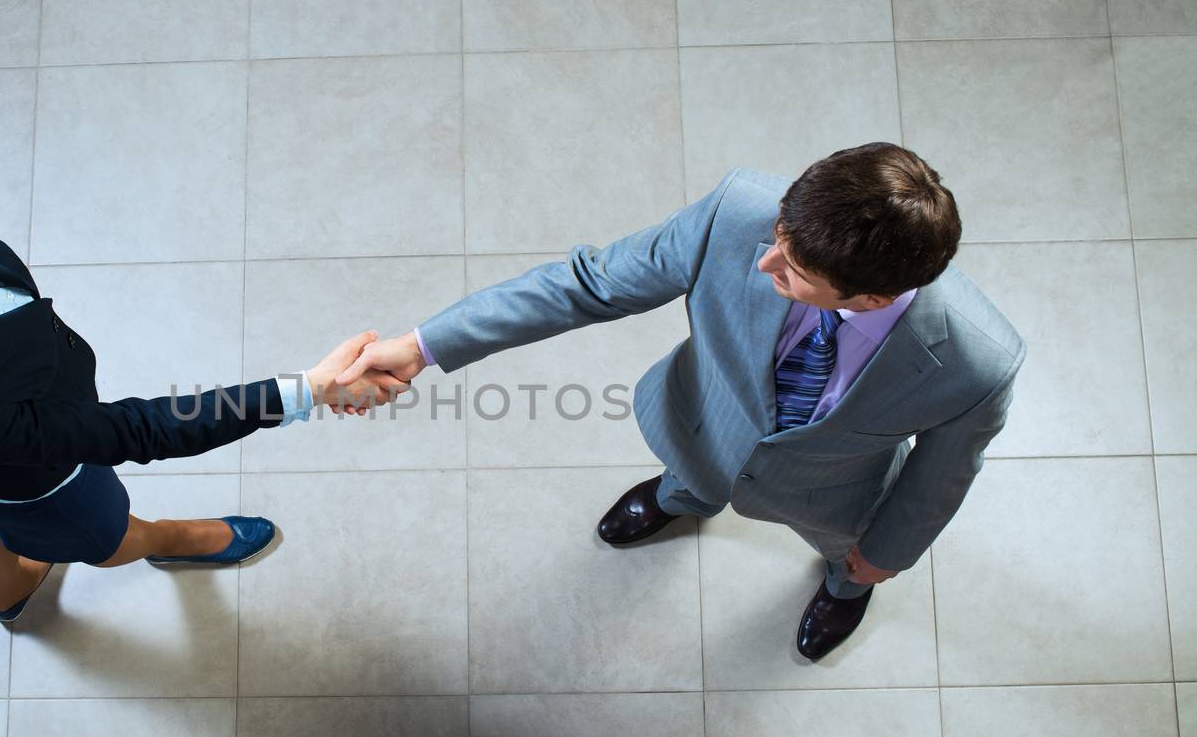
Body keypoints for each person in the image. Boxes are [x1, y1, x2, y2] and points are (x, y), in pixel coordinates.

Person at [338, 143, 1024, 659]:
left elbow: (943, 474)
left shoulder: (977, 363)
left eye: (795, 271)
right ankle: (680, 499)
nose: (764, 263)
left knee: (849, 557)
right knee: (693, 475)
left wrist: (884, 555)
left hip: (836, 495)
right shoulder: (738, 213)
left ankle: (846, 590)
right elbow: (586, 285)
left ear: (871, 300)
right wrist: (423, 347)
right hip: (703, 420)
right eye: (780, 236)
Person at [0, 192, 404, 624]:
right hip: (44, 479)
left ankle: (11, 588)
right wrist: (307, 391)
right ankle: (168, 540)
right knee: (108, 532)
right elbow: (137, 428)